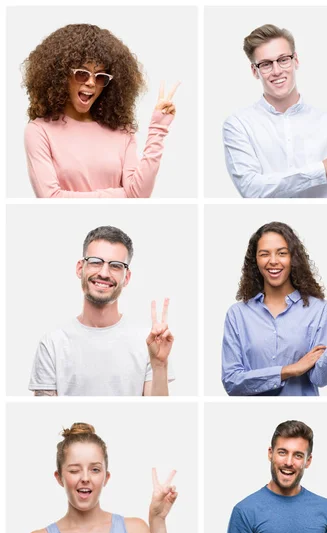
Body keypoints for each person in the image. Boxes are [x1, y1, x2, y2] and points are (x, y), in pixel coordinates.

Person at [23, 23, 179, 198]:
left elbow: (139, 195)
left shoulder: (121, 131)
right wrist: (121, 195)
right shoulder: (39, 131)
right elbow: (51, 198)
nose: (91, 82)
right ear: (60, 75)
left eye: (100, 77)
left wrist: (158, 129)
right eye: (82, 73)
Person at [221, 222, 327, 395]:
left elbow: (320, 378)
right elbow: (231, 381)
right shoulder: (238, 314)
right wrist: (288, 370)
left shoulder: (318, 310)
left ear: (293, 258)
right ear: (255, 261)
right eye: (264, 254)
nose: (273, 261)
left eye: (282, 253)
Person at [223, 24, 327, 198]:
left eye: (283, 59)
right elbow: (250, 189)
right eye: (266, 64)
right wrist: (321, 170)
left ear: (295, 60)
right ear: (255, 71)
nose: (276, 70)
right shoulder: (238, 125)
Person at [26, 423, 178, 533]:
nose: (85, 478)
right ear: (59, 477)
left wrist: (157, 520)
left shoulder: (134, 530)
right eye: (74, 470)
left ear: (106, 477)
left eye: (95, 470)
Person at [29, 226, 174, 396]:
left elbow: (157, 416)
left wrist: (159, 365)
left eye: (115, 266)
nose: (104, 273)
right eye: (96, 262)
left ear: (126, 278)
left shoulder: (147, 342)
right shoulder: (52, 344)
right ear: (79, 268)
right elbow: (47, 417)